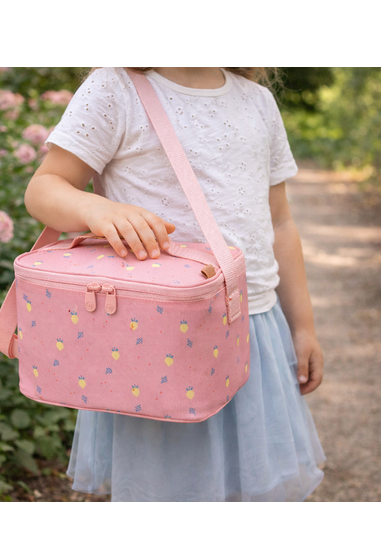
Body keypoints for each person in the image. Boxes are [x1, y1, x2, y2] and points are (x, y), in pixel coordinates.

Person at [24, 67, 326, 501]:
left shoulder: (258, 102)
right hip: (160, 337)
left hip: (254, 324)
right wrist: (96, 210)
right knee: (168, 491)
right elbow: (44, 188)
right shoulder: (116, 88)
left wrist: (303, 326)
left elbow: (280, 221)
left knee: (250, 486)